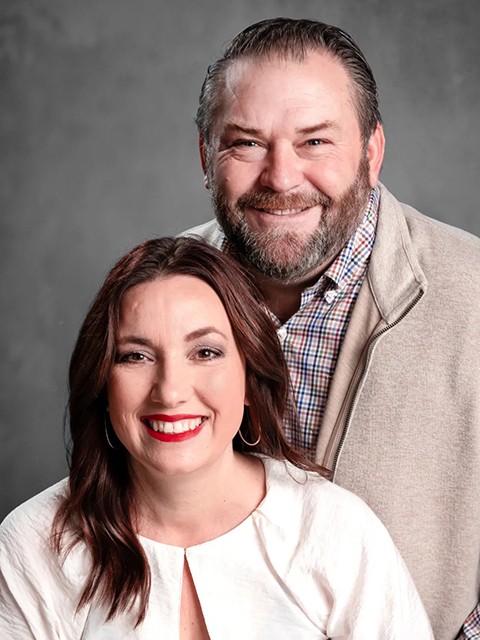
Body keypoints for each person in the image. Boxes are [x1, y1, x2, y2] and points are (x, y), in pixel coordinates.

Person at [182, 17, 480, 640]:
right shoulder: (157, 296)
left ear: (371, 152)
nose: (281, 177)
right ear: (207, 157)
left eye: (315, 141)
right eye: (247, 143)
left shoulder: (473, 296)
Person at [0, 237, 433, 639]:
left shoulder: (336, 530)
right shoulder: (32, 544)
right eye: (136, 356)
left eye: (205, 352)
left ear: (249, 377)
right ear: (102, 385)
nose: (170, 391)